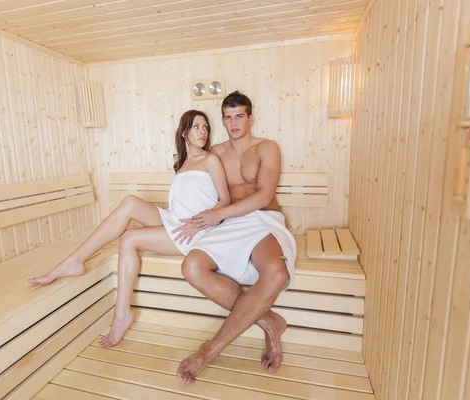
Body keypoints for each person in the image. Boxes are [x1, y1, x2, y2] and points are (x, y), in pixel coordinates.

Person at [27, 110, 231, 348]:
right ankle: (75, 260)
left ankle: (122, 314)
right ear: (185, 132)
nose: (203, 132)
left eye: (205, 127)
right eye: (197, 127)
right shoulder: (182, 162)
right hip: (176, 219)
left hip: (194, 231)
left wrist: (201, 223)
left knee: (129, 238)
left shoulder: (211, 160)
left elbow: (225, 200)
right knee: (130, 202)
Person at [173, 91, 297, 385]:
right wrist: (192, 219)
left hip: (263, 220)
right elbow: (192, 177)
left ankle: (207, 352)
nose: (233, 123)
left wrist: (220, 213)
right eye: (228, 117)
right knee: (191, 266)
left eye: (239, 115)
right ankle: (270, 321)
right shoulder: (215, 152)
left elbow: (264, 195)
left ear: (250, 117)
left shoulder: (267, 148)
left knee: (276, 272)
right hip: (229, 224)